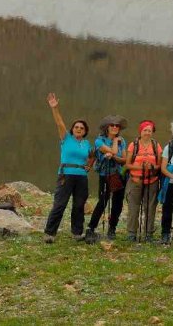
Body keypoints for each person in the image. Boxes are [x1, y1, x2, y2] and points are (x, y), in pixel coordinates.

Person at [42, 93, 95, 243]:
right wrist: (54, 108)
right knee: (60, 204)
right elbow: (59, 123)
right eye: (76, 127)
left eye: (82, 128)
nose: (79, 129)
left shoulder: (86, 144)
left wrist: (89, 166)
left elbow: (92, 156)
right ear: (72, 129)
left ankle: (77, 233)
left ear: (85, 131)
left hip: (81, 177)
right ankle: (49, 233)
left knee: (79, 205)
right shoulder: (66, 138)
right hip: (66, 174)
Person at [85, 115, 128, 242]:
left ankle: (112, 228)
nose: (115, 127)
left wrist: (114, 156)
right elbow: (113, 151)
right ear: (107, 128)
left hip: (119, 174)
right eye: (112, 125)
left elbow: (124, 159)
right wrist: (115, 142)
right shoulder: (99, 141)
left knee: (118, 203)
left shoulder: (123, 140)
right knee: (102, 201)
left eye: (117, 126)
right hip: (105, 175)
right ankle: (91, 228)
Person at [124, 120, 161, 243]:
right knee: (133, 207)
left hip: (152, 181)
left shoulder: (156, 145)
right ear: (140, 131)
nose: (147, 133)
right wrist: (141, 167)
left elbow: (160, 165)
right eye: (145, 130)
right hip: (135, 180)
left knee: (150, 208)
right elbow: (128, 165)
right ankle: (131, 233)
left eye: (149, 131)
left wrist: (151, 167)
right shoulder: (133, 145)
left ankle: (149, 233)